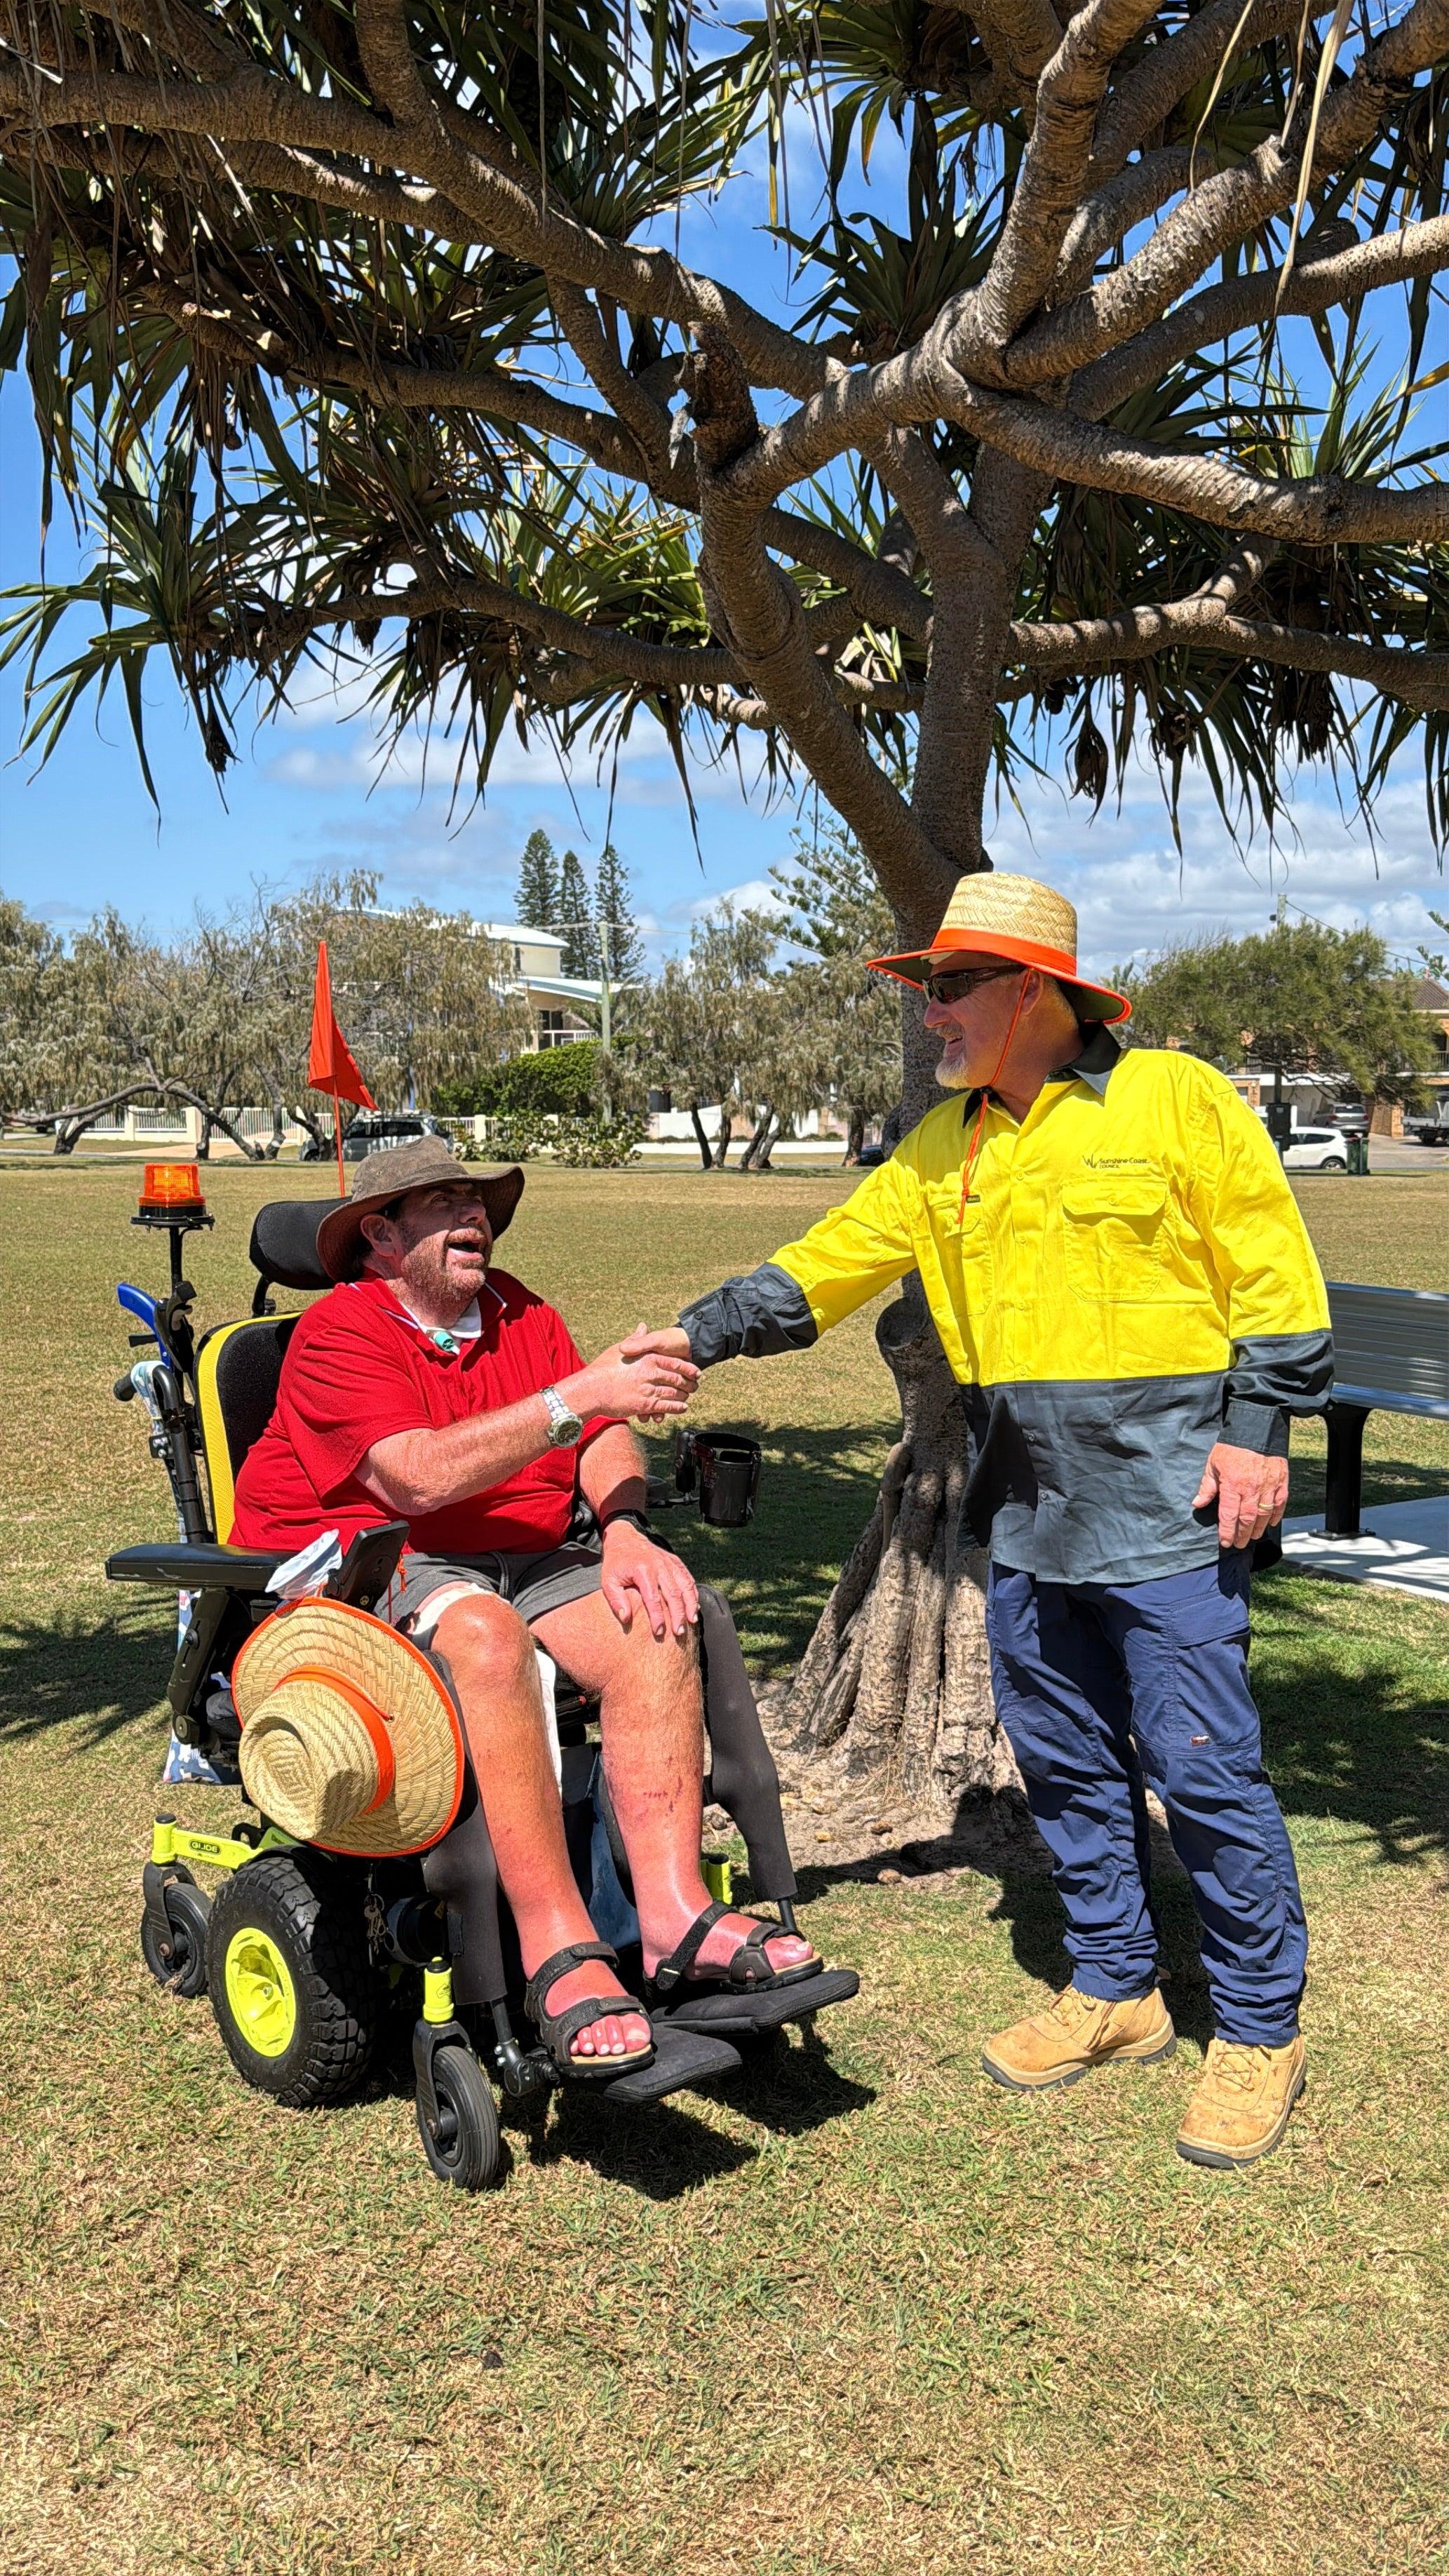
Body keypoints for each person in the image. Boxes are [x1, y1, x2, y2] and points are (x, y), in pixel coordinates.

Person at [635, 872, 1332, 2169]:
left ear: (1032, 990)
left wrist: (1258, 1432)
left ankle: (1254, 2029)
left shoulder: (1172, 1096)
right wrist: (693, 1332)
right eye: (926, 990)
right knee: (1062, 1757)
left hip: (1171, 1494)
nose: (930, 1013)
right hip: (1025, 1504)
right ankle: (1115, 1991)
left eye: (950, 986)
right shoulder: (943, 1143)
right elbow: (828, 1262)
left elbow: (1270, 1267)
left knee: (1200, 1765)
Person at [230, 1136, 819, 2077]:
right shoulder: (338, 1333)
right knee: (482, 1632)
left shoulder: (521, 1311)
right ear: (381, 1236)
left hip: (526, 1552)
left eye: (480, 1203)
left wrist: (624, 1530)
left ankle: (671, 1918)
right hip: (370, 1564)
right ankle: (556, 1949)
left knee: (654, 1613)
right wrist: (575, 1397)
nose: (476, 1219)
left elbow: (601, 1433)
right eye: (445, 1204)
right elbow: (416, 1481)